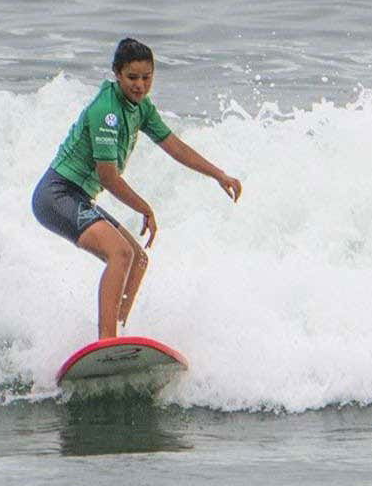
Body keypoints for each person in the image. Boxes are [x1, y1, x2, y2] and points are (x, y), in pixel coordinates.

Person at [32, 37, 242, 340]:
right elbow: (108, 177)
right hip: (56, 194)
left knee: (137, 259)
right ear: (117, 74)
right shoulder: (107, 111)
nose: (140, 85)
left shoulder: (140, 107)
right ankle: (107, 341)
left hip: (78, 197)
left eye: (147, 77)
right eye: (132, 77)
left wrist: (218, 174)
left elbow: (175, 147)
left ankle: (118, 334)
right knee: (120, 253)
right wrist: (144, 207)